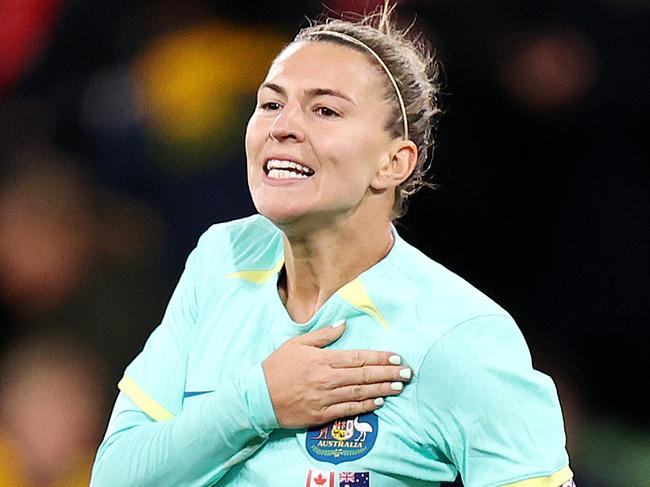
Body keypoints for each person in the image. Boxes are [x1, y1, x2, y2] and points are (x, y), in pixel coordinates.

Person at [90, 4, 575, 486]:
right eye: (271, 104)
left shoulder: (460, 335)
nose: (283, 127)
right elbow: (114, 478)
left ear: (394, 162)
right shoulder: (222, 259)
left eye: (324, 110)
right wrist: (259, 402)